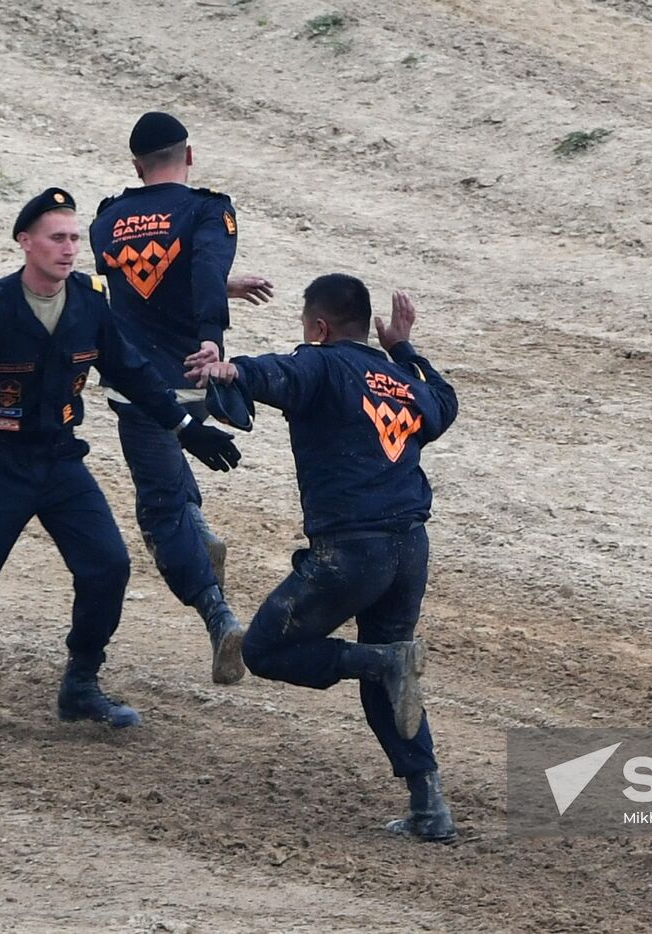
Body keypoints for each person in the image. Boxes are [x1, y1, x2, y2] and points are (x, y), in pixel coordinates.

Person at [0, 188, 242, 732]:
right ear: (25, 242)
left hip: (60, 461)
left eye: (76, 238)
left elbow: (132, 374)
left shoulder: (87, 302)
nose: (70, 249)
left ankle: (81, 685)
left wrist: (188, 429)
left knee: (108, 567)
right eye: (58, 238)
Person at [184, 276, 460, 841]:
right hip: (410, 549)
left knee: (264, 648)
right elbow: (445, 404)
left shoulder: (322, 364)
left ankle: (383, 661)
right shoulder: (403, 380)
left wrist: (229, 370)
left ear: (318, 327)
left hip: (353, 552)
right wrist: (402, 347)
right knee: (390, 669)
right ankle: (428, 805)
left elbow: (281, 372)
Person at [90, 111, 273, 685]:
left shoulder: (106, 219)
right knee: (172, 482)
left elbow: (128, 280)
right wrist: (213, 340)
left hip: (136, 382)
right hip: (196, 375)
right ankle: (201, 531)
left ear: (136, 166)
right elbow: (200, 268)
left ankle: (219, 618)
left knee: (157, 505)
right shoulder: (206, 209)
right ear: (187, 156)